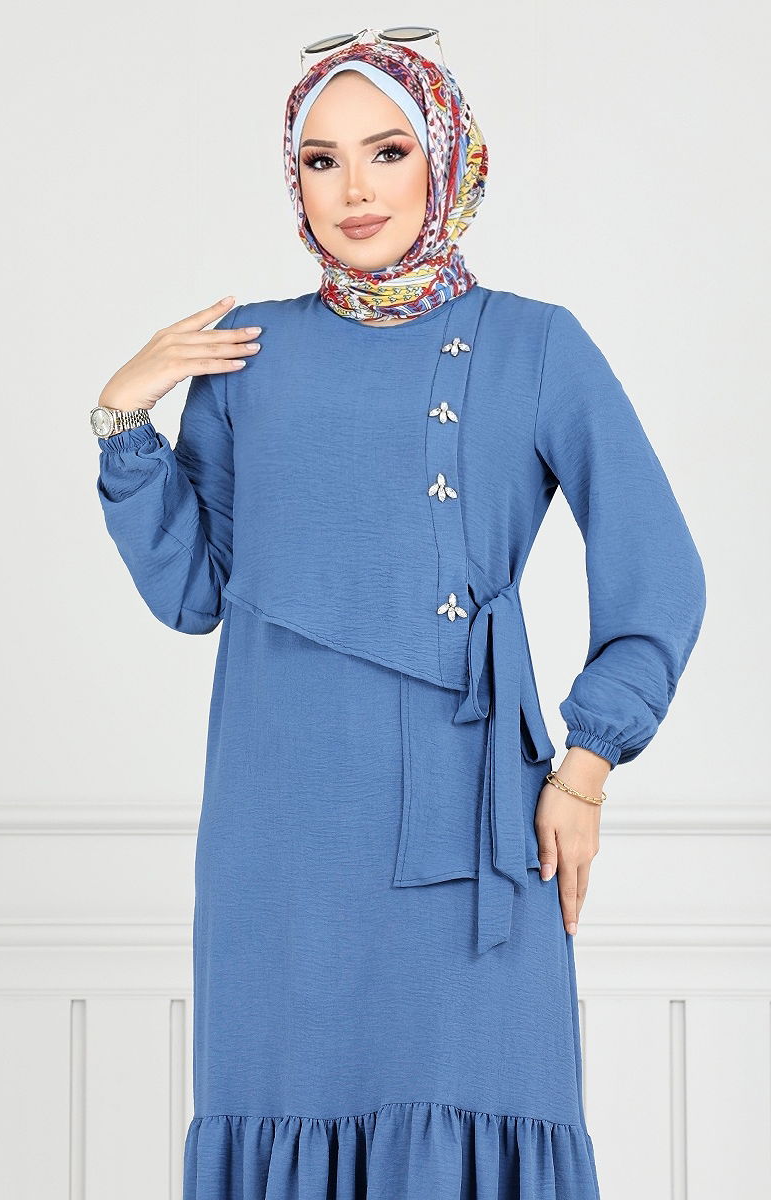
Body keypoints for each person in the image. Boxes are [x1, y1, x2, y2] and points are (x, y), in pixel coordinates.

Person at [91, 30, 706, 1200]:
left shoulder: (535, 343)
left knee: (480, 1098)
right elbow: (192, 593)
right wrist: (124, 422)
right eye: (320, 161)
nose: (354, 190)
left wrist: (584, 768)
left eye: (386, 150)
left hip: (470, 822)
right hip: (279, 833)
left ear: (446, 158)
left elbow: (659, 572)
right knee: (282, 1105)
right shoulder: (246, 355)